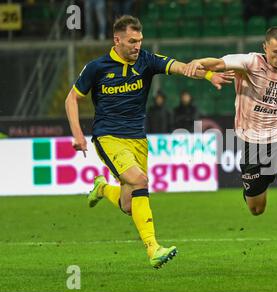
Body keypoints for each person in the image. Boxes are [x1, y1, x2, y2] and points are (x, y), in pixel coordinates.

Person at [65, 15, 233, 269]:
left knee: (128, 205)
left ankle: (101, 188)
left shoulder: (146, 61)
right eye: (132, 41)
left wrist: (209, 75)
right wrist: (77, 134)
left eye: (140, 41)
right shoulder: (96, 67)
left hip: (138, 140)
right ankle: (153, 248)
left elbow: (181, 67)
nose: (137, 46)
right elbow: (71, 99)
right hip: (108, 137)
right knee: (140, 181)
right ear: (117, 39)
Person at [184, 26, 277, 251]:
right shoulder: (249, 63)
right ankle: (256, 184)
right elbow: (217, 63)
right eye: (276, 52)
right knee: (257, 209)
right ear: (265, 48)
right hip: (253, 145)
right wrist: (199, 62)